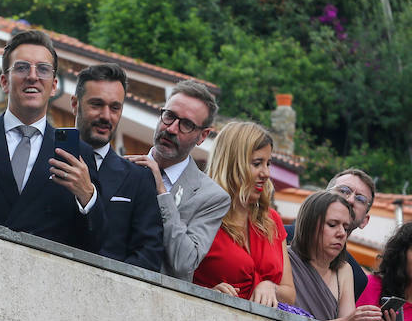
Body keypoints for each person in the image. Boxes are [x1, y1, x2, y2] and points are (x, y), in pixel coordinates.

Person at [0, 31, 104, 252]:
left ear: (54, 86)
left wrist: (86, 195)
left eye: (43, 69)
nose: (33, 76)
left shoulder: (79, 154)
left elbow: (96, 243)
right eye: (22, 67)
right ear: (4, 82)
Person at [125, 80, 228, 281]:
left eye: (187, 124)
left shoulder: (212, 197)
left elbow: (184, 264)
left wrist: (162, 193)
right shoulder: (123, 168)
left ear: (202, 136)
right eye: (169, 116)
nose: (172, 129)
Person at [191, 122, 294, 308]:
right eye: (257, 163)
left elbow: (290, 294)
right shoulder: (200, 213)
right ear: (232, 163)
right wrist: (207, 293)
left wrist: (270, 286)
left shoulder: (272, 220)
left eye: (268, 164)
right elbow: (174, 275)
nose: (266, 173)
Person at [72, 64, 164, 270]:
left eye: (115, 108)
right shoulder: (45, 158)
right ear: (75, 104)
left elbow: (148, 255)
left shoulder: (139, 179)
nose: (106, 116)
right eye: (97, 104)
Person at [287, 191, 383, 321]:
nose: (342, 233)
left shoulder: (344, 270)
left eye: (346, 228)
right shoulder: (284, 258)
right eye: (332, 225)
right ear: (309, 225)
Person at [326, 169, 379, 301]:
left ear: (365, 221)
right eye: (343, 190)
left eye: (360, 199)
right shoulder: (284, 238)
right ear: (322, 197)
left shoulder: (357, 278)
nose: (350, 200)